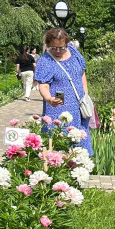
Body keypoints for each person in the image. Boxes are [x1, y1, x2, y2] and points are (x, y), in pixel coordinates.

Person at [35, 28, 93, 156]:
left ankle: (80, 165)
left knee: (79, 135)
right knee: (59, 135)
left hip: (78, 105)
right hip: (58, 107)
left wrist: (85, 94)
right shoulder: (46, 61)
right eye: (53, 47)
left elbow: (82, 73)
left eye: (61, 48)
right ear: (48, 44)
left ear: (66, 43)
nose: (57, 50)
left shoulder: (74, 52)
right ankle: (58, 166)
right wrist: (49, 99)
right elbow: (43, 85)